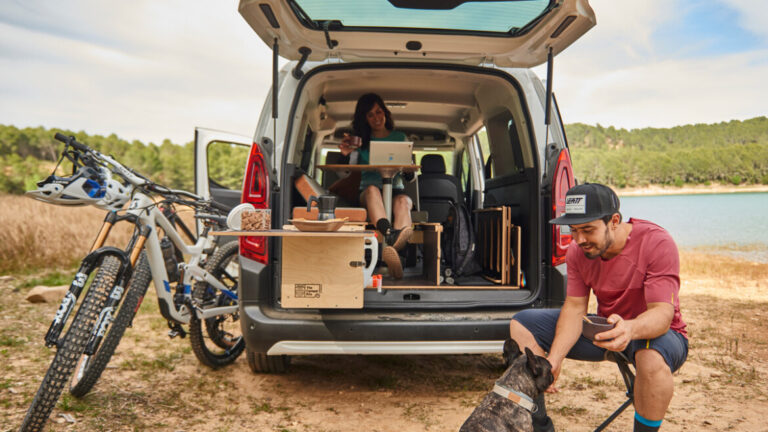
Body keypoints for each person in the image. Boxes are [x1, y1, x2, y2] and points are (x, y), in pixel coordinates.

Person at [509, 183, 688, 432]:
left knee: (649, 357)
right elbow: (574, 308)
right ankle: (540, 427)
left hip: (656, 335)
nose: (579, 240)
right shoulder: (577, 252)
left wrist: (629, 329)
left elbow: (662, 314)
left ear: (614, 221)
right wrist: (554, 360)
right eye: (573, 231)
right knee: (522, 324)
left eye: (587, 230)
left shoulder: (656, 242)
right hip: (607, 330)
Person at [338, 93, 414, 279]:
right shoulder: (361, 141)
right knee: (372, 190)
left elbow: (411, 178)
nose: (376, 118)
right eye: (370, 115)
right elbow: (345, 174)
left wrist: (407, 169)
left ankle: (392, 249)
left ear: (385, 113)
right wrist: (346, 155)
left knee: (403, 201)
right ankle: (392, 238)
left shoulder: (400, 137)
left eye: (378, 112)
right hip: (369, 192)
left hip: (395, 189)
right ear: (364, 119)